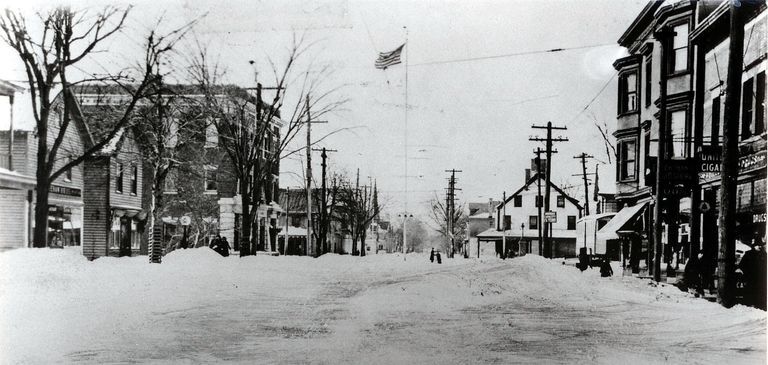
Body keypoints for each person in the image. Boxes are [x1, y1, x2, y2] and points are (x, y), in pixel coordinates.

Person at [739, 243, 766, 310]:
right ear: (754, 246)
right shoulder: (748, 254)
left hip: (760, 277)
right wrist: (746, 272)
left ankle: (758, 305)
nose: (759, 247)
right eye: (758, 245)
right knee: (749, 290)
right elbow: (741, 265)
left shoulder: (764, 254)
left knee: (759, 290)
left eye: (760, 245)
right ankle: (749, 305)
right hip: (750, 277)